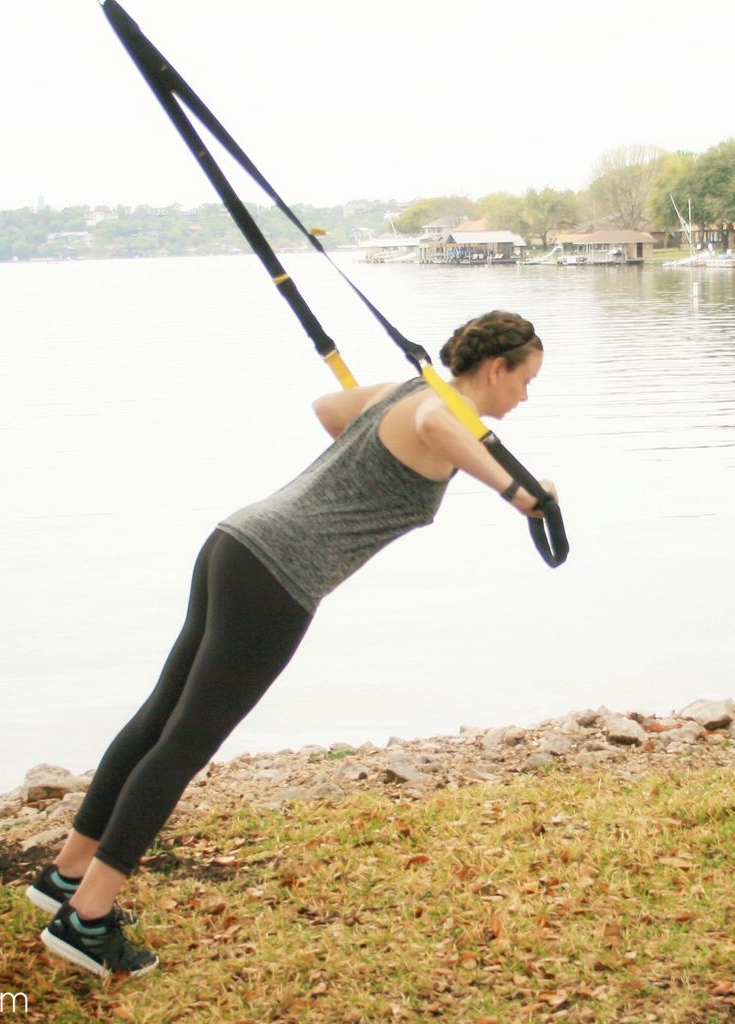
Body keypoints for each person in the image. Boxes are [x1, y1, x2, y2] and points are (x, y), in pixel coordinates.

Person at [27, 310, 557, 977]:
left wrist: (374, 456)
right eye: (526, 380)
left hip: (235, 542)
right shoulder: (434, 411)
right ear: (496, 368)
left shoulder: (404, 393)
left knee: (159, 719)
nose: (526, 396)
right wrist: (521, 494)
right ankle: (89, 919)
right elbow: (431, 426)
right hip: (278, 575)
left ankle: (67, 873)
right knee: (185, 741)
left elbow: (329, 409)